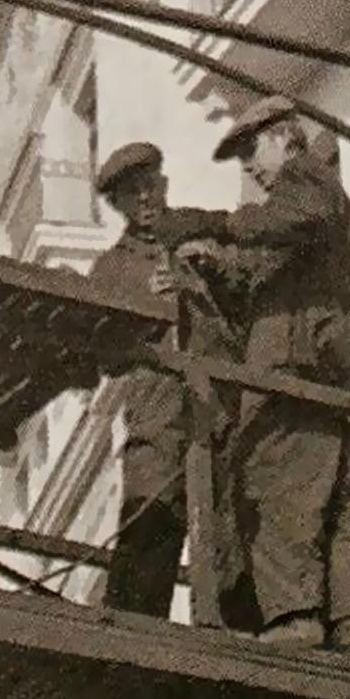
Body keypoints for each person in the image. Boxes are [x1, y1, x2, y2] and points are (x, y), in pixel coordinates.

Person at [155, 96, 350, 655]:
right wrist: (214, 267)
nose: (250, 168)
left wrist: (218, 224)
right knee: (341, 498)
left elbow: (291, 219)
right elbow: (266, 280)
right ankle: (348, 620)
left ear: (284, 136)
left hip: (299, 374)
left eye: (251, 151)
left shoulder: (306, 180)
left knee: (275, 479)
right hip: (337, 374)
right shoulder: (309, 225)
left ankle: (295, 617)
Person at [88, 142, 253, 623]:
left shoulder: (201, 238)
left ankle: (236, 640)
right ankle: (132, 637)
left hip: (219, 409)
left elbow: (246, 315)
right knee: (150, 521)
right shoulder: (112, 269)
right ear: (118, 204)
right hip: (157, 415)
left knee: (230, 531)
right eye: (131, 193)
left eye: (150, 186)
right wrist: (142, 310)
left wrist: (199, 283)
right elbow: (106, 360)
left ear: (163, 184)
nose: (145, 198)